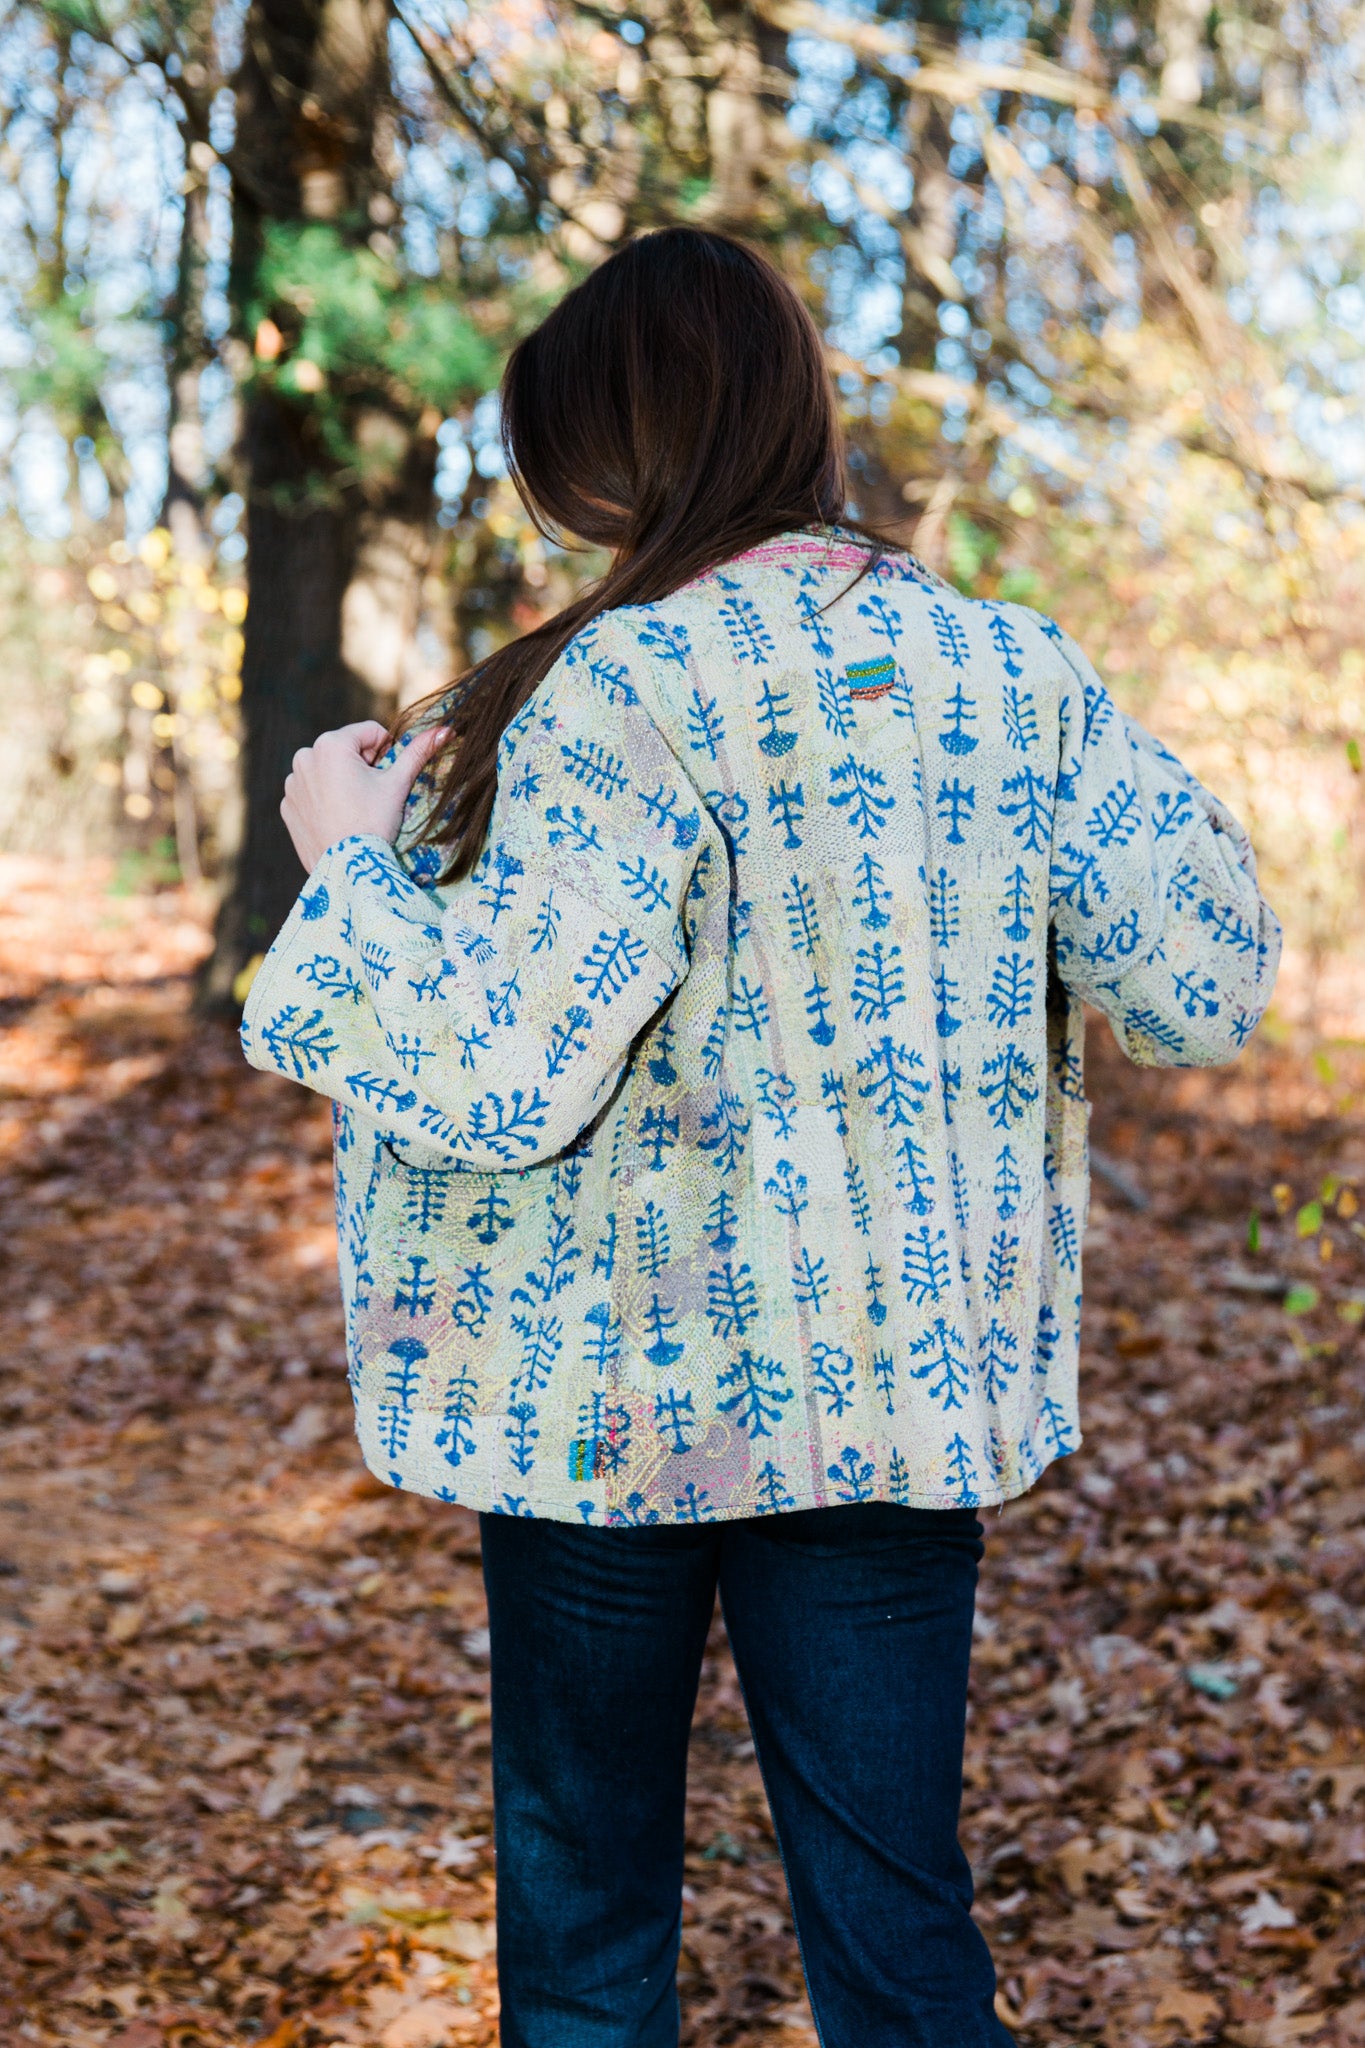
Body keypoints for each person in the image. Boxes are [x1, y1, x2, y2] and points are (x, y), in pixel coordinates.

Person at [241, 226, 1279, 2048]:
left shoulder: (623, 683)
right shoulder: (1007, 672)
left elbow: (499, 1069)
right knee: (896, 1939)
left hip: (602, 1406)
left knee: (586, 1924)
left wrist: (352, 857)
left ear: (623, 448)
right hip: (889, 1389)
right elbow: (1198, 983)